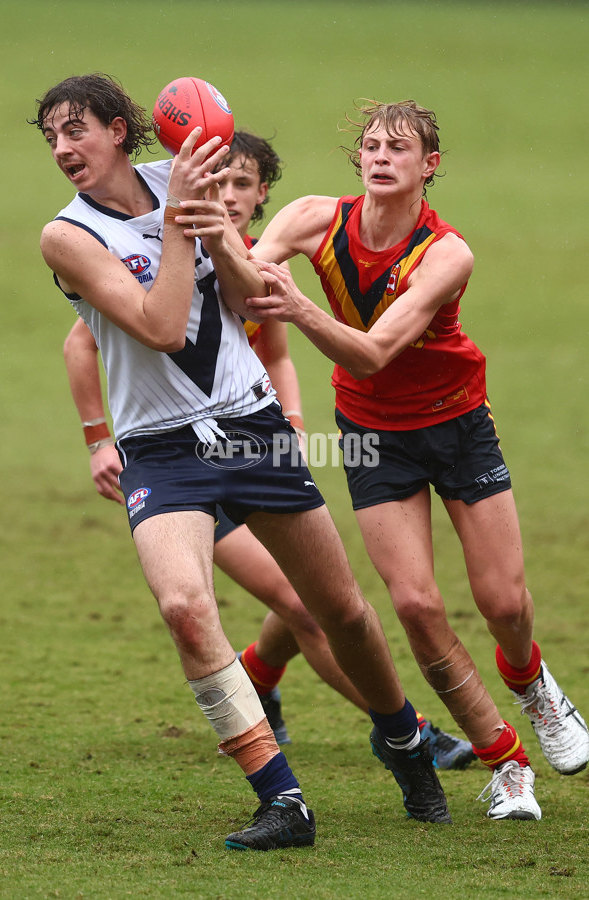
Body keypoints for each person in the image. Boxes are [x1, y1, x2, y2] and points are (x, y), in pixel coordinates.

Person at [31, 75, 452, 853]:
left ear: (123, 129)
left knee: (343, 613)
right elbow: (158, 326)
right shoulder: (70, 236)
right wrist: (184, 222)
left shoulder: (187, 180)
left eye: (76, 130)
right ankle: (282, 798)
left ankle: (403, 740)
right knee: (185, 608)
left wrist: (217, 228)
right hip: (161, 446)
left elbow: (245, 299)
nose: (62, 148)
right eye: (52, 136)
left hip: (249, 426)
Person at [237, 99, 589, 821]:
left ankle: (534, 687)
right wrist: (211, 246)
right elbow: (240, 284)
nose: (379, 156)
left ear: (429, 165)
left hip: (457, 426)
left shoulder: (447, 252)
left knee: (504, 604)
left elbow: (369, 355)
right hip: (372, 436)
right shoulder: (310, 217)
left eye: (398, 147)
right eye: (370, 145)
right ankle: (506, 763)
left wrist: (298, 308)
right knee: (416, 605)